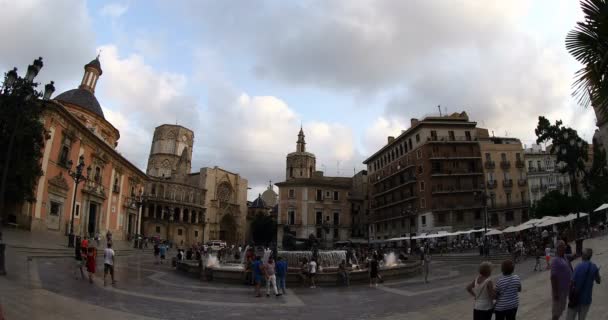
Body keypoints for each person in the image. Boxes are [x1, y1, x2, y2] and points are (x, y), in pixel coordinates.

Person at [566, 248, 601, 320]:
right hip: (586, 300)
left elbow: (571, 283)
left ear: (583, 256)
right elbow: (598, 281)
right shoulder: (594, 267)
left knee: (569, 318)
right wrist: (597, 272)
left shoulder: (578, 267)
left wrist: (570, 295)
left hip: (575, 299)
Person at [552, 240, 573, 320]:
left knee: (562, 308)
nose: (565, 247)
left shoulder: (564, 256)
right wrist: (555, 293)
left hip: (566, 288)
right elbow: (553, 277)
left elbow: (572, 257)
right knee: (557, 311)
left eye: (565, 245)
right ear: (559, 248)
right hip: (559, 290)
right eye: (563, 246)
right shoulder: (555, 261)